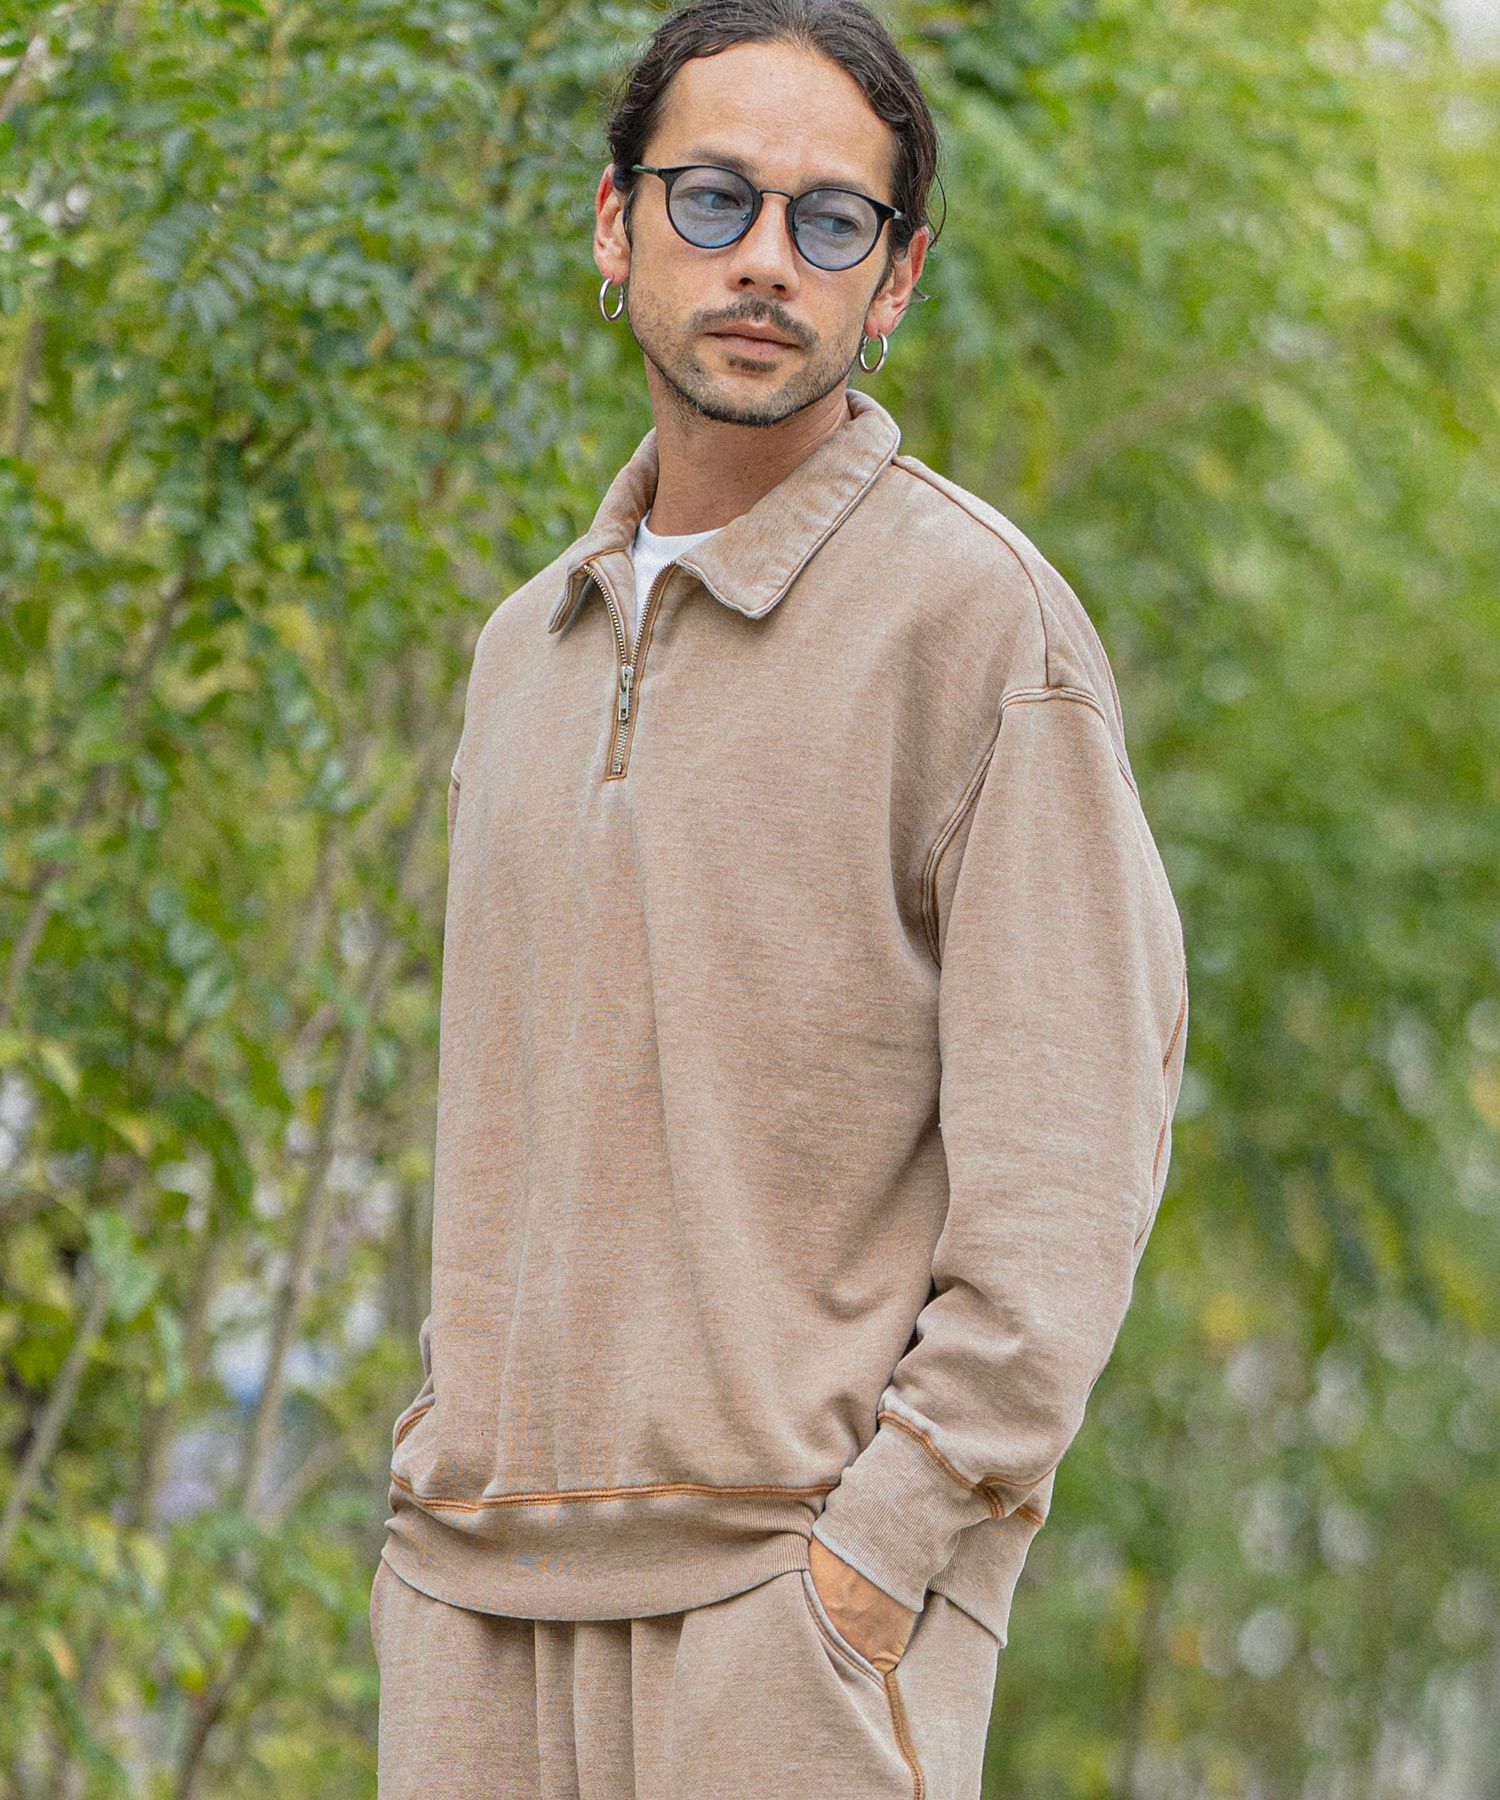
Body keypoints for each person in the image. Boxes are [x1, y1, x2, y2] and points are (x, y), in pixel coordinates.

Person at [370, 2, 1190, 1794]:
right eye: (715, 197)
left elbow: (1073, 1167)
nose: (765, 259)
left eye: (831, 220)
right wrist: (434, 1474)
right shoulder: (521, 656)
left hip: (785, 1617)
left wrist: (883, 1549)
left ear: (895, 277)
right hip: (470, 1612)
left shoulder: (978, 626)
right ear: (617, 225)